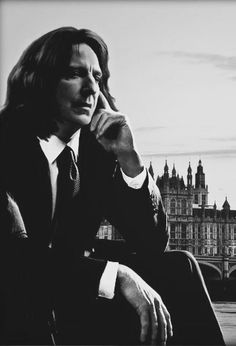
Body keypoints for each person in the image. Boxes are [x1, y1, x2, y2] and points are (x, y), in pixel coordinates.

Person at [0, 27, 225, 346]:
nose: (91, 88)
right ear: (42, 82)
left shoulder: (97, 154)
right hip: (17, 300)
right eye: (74, 74)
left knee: (180, 266)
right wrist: (114, 274)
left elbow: (152, 243)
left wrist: (129, 159)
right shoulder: (7, 144)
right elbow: (13, 258)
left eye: (96, 75)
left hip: (71, 296)